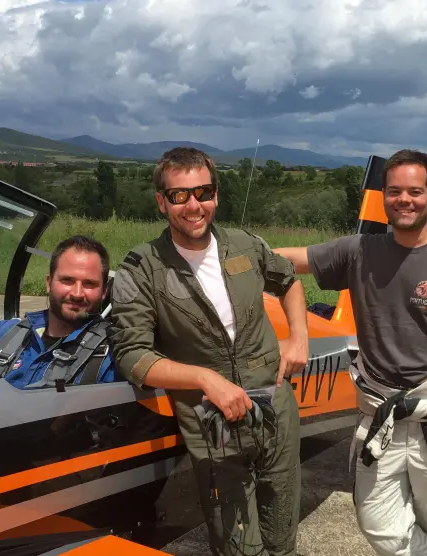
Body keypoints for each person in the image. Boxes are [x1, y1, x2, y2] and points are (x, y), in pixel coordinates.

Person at [274, 149, 427, 556]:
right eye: (394, 191)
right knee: (376, 521)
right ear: (383, 196)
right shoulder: (359, 250)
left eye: (415, 191)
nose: (404, 200)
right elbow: (291, 260)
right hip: (379, 411)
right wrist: (227, 253)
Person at [108, 147, 309, 556]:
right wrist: (205, 379)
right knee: (238, 548)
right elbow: (131, 354)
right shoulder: (140, 269)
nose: (194, 206)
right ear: (161, 201)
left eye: (203, 192)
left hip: (275, 411)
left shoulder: (246, 245)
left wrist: (299, 338)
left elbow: (288, 280)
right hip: (212, 426)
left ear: (216, 195)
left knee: (283, 539)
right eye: (179, 195)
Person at [0, 234, 122, 388]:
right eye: (67, 280)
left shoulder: (113, 357)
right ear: (49, 283)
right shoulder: (8, 333)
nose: (77, 293)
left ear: (104, 291)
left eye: (89, 284)